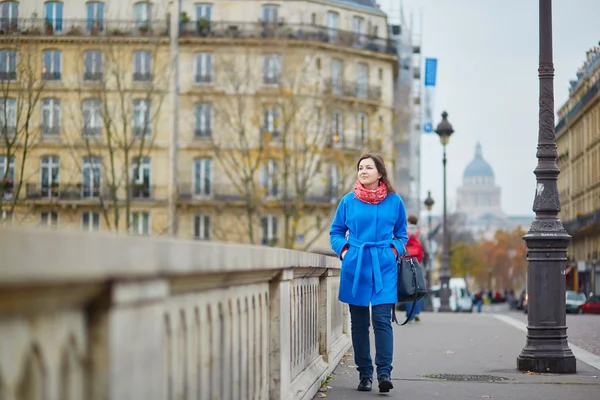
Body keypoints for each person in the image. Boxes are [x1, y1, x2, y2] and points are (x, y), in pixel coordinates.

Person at [330, 153, 408, 393]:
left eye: (368, 168)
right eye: (360, 168)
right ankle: (365, 374)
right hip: (356, 265)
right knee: (359, 323)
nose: (363, 171)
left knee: (382, 320)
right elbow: (336, 232)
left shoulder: (395, 202)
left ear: (380, 173)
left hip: (383, 265)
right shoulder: (348, 201)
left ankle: (384, 372)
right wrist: (345, 252)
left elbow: (402, 235)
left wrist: (393, 251)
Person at [404, 215, 429, 322]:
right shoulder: (421, 234)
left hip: (406, 264)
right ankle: (417, 312)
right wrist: (425, 264)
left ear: (408, 222)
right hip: (419, 264)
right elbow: (427, 251)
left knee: (407, 288)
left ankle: (409, 314)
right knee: (419, 288)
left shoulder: (404, 232)